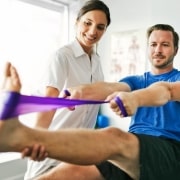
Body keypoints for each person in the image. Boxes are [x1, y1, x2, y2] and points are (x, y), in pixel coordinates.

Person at [21, 23, 180, 180]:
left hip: (170, 152)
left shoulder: (177, 80)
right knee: (68, 171)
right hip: (132, 156)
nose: (158, 50)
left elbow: (165, 91)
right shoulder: (136, 80)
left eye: (165, 45)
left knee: (113, 135)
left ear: (175, 50)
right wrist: (79, 92)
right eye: (153, 44)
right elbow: (110, 87)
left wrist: (135, 98)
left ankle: (24, 139)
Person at [24, 0, 111, 179]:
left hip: (80, 149)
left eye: (100, 27)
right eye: (88, 23)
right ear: (77, 22)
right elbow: (48, 101)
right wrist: (36, 140)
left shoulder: (96, 61)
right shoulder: (62, 56)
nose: (93, 31)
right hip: (53, 147)